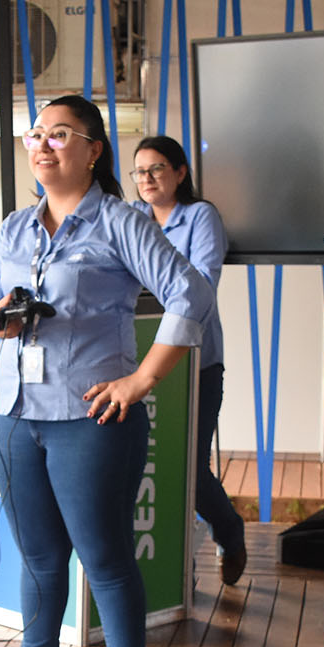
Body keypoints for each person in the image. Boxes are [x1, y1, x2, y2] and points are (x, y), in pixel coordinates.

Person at [0, 96, 213, 647]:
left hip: (91, 419)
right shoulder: (17, 227)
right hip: (16, 416)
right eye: (37, 135)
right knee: (39, 558)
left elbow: (190, 292)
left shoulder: (119, 222)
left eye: (61, 134)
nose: (43, 146)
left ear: (94, 150)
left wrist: (142, 379)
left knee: (105, 558)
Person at [131, 135, 248, 586]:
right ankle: (170, 566)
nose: (146, 179)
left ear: (180, 172)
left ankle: (229, 532)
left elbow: (201, 286)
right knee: (146, 464)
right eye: (139, 171)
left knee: (189, 469)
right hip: (136, 356)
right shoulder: (132, 218)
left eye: (156, 168)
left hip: (196, 361)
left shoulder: (201, 217)